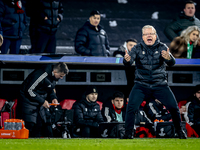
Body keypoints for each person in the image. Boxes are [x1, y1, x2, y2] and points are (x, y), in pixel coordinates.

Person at [122, 25, 187, 139]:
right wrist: (126, 60)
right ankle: (128, 134)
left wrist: (169, 58)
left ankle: (180, 132)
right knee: (131, 108)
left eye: (151, 34)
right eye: (146, 34)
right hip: (141, 85)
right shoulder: (137, 48)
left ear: (155, 36)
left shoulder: (162, 47)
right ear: (143, 37)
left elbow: (172, 63)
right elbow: (128, 61)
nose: (149, 36)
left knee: (173, 107)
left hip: (159, 84)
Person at [16, 62, 69, 137]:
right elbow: (29, 90)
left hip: (38, 102)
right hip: (27, 101)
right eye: (61, 76)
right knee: (29, 125)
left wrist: (53, 97)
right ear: (55, 72)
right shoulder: (40, 74)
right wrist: (42, 101)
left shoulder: (54, 77)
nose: (61, 78)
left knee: (40, 125)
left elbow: (50, 88)